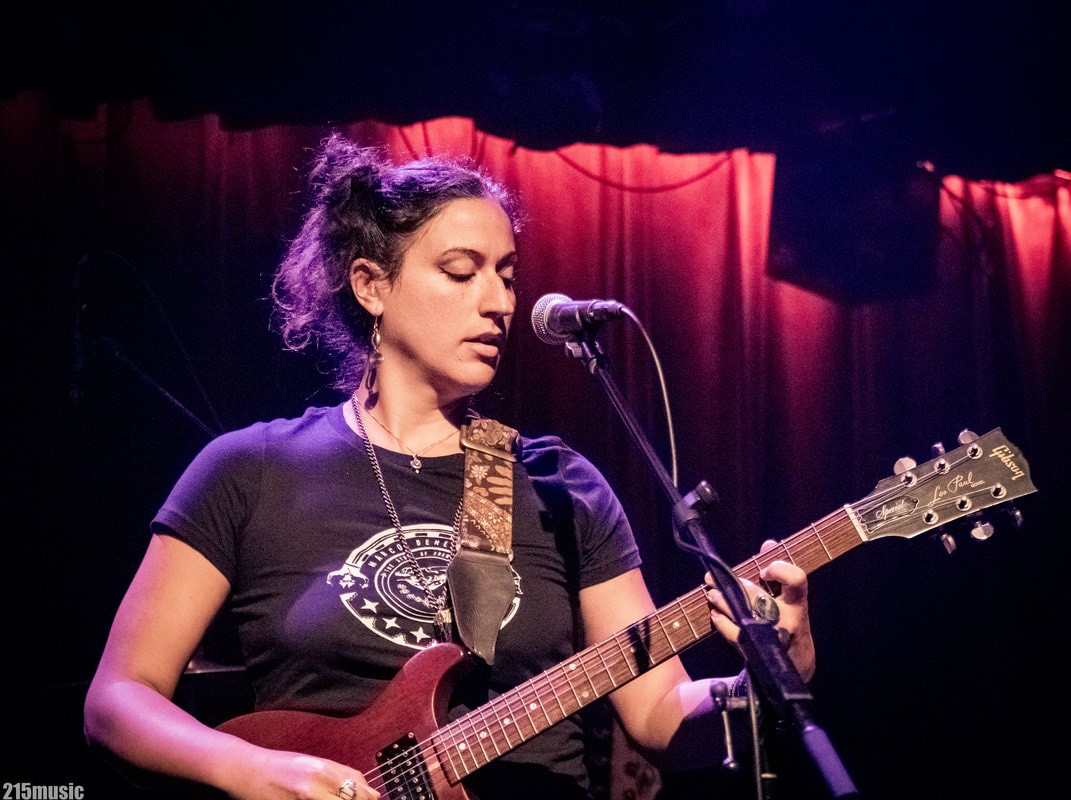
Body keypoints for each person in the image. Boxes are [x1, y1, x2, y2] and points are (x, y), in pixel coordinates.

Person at [83, 132, 816, 800]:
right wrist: (248, 768)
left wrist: (771, 669)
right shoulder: (250, 470)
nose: (498, 302)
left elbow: (659, 718)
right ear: (371, 285)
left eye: (506, 274)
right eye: (461, 272)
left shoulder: (560, 489)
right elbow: (118, 697)